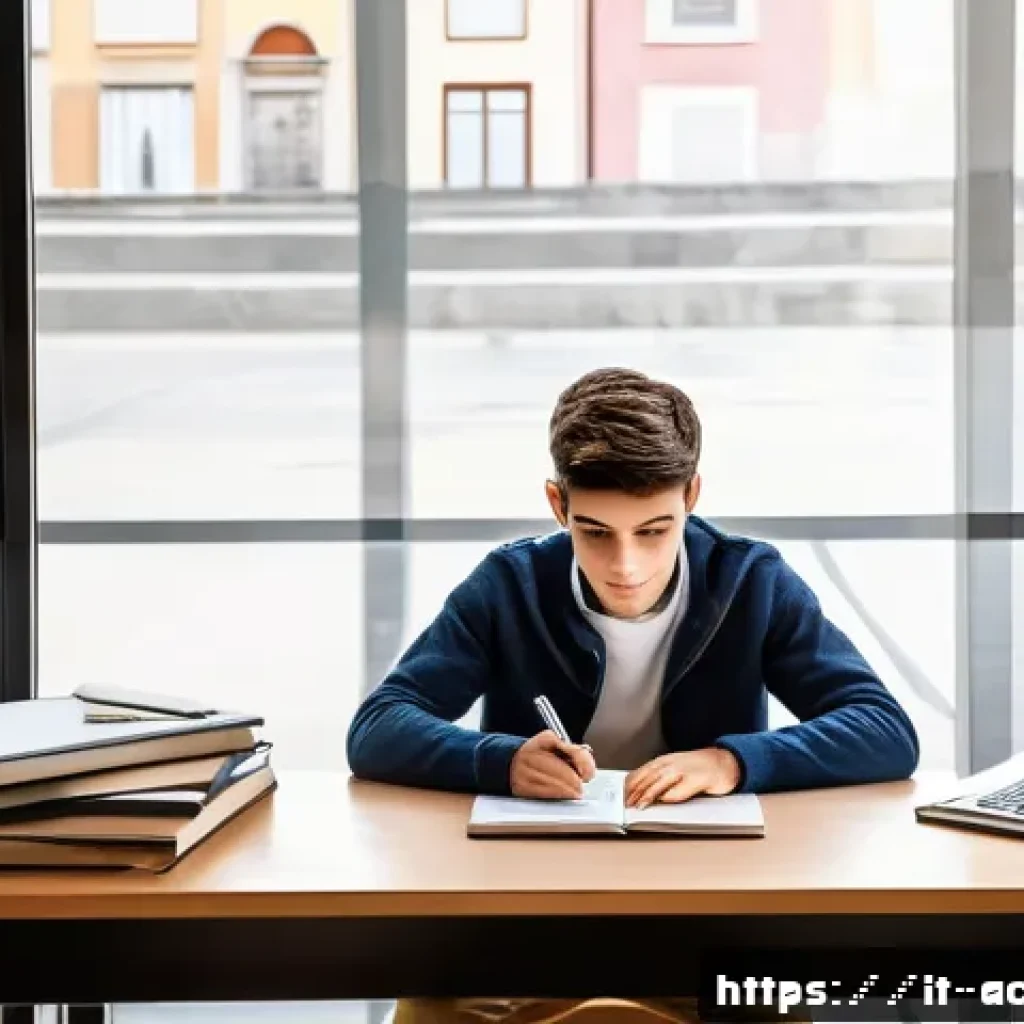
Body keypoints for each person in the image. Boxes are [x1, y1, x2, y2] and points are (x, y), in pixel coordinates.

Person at [346, 367, 920, 1024]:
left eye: (654, 530)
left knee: (773, 1006)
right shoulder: (510, 583)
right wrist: (499, 760)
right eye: (595, 532)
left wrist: (730, 762)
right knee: (431, 1012)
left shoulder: (751, 579)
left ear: (692, 495)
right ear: (558, 505)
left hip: (708, 908)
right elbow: (378, 727)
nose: (627, 566)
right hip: (528, 906)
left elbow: (884, 729)